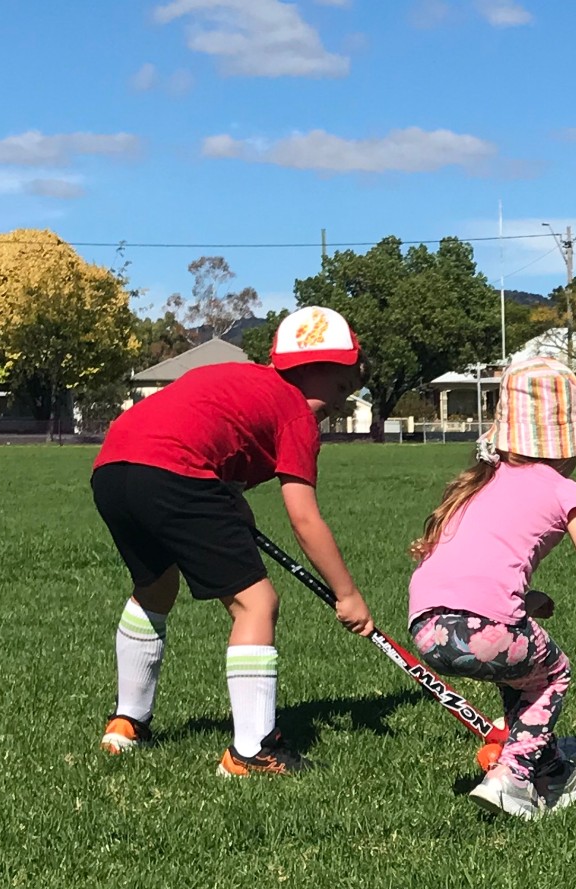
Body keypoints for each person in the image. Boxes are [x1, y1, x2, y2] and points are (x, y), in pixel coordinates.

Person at [92, 306, 374, 776]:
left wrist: (231, 502)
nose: (342, 403)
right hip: (175, 473)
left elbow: (212, 435)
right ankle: (252, 752)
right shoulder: (295, 414)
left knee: (155, 587)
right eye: (342, 387)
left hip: (113, 469)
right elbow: (305, 518)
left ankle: (128, 723)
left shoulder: (239, 377)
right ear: (311, 371)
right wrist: (348, 595)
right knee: (255, 603)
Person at [408, 357, 576, 819]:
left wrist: (527, 601)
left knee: (518, 671)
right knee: (553, 673)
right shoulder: (562, 490)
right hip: (485, 625)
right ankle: (512, 778)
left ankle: (550, 766)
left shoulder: (480, 483)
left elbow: (472, 571)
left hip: (425, 628)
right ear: (567, 444)